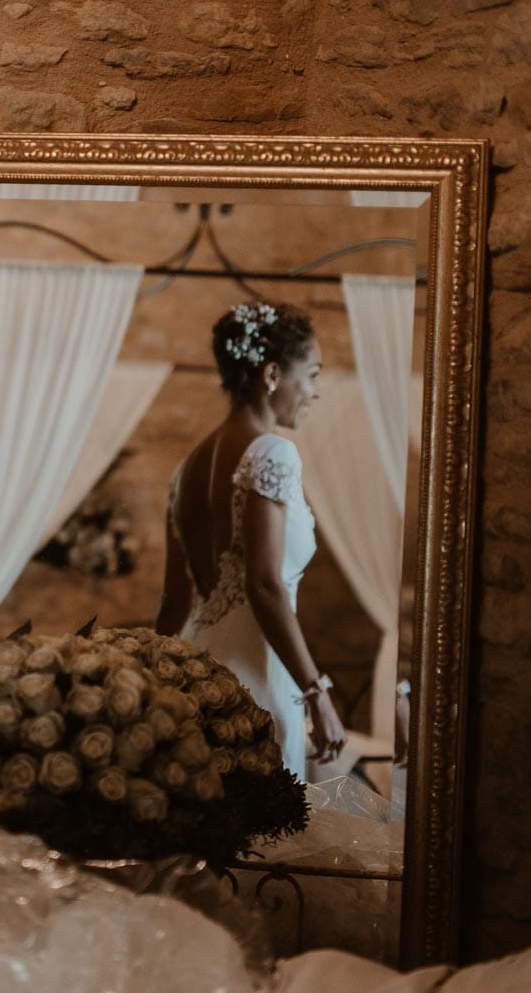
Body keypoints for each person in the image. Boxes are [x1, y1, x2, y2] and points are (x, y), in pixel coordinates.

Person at [155, 301, 342, 782]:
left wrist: (154, 683)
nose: (315, 391)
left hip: (196, 677)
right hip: (255, 681)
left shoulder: (186, 469)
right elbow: (263, 582)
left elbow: (175, 602)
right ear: (274, 374)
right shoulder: (273, 453)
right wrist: (316, 691)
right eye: (312, 374)